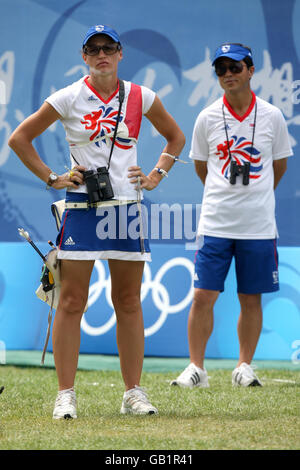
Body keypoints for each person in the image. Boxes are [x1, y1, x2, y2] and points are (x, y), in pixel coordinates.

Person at [9, 24, 185, 418]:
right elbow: (19, 138)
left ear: (121, 54)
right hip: (82, 210)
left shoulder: (141, 95)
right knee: (71, 301)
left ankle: (133, 393)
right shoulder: (69, 97)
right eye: (94, 48)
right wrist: (52, 177)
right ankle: (65, 395)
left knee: (127, 302)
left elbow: (175, 137)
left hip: (128, 209)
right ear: (84, 56)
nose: (102, 54)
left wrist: (156, 175)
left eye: (109, 47)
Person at [171, 43, 293, 389]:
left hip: (258, 225)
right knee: (203, 295)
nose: (228, 75)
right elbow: (201, 167)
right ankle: (197, 368)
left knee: (250, 297)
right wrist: (225, 194)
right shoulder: (207, 117)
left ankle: (244, 366)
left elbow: (279, 166)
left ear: (251, 71)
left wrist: (254, 196)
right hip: (216, 223)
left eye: (235, 68)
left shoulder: (272, 116)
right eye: (221, 69)